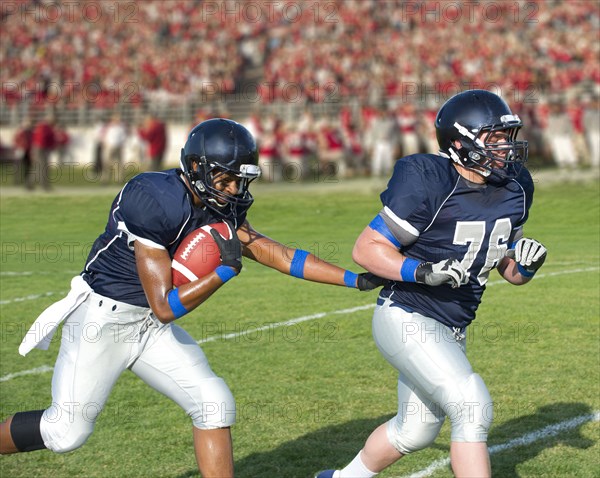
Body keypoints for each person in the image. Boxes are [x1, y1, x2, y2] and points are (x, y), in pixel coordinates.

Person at [0, 119, 384, 477]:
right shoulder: (154, 198)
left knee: (213, 403)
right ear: (197, 167)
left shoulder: (222, 204)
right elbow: (164, 306)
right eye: (226, 179)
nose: (234, 190)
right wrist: (222, 273)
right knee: (65, 432)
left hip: (146, 326)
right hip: (104, 321)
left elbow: (273, 252)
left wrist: (356, 280)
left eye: (239, 180)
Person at [315, 90, 547, 478]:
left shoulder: (516, 185)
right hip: (407, 315)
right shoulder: (429, 179)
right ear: (459, 143)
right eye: (494, 139)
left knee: (415, 431)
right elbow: (367, 248)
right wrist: (422, 271)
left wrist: (524, 266)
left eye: (507, 137)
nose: (506, 148)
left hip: (454, 325)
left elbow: (503, 267)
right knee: (471, 404)